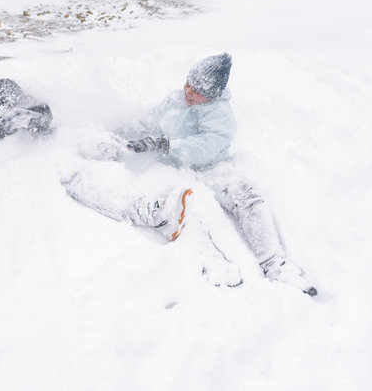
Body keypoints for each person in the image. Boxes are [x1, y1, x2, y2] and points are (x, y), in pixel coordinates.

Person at [64, 53, 317, 296]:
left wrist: (166, 144)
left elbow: (208, 146)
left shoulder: (220, 115)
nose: (188, 92)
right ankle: (213, 263)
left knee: (246, 197)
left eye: (197, 91)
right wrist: (127, 135)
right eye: (188, 84)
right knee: (181, 210)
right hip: (173, 168)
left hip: (211, 167)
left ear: (212, 95)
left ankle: (276, 263)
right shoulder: (175, 99)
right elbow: (149, 121)